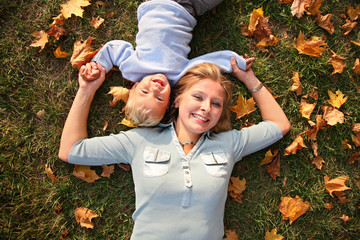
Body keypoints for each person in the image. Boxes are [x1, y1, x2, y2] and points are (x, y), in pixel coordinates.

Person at [58, 55, 291, 239]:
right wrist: (87, 89)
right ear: (178, 100)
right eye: (198, 97)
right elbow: (71, 150)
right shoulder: (139, 141)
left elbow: (279, 125)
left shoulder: (228, 144)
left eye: (216, 103)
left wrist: (249, 78)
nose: (206, 108)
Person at [82, 0, 253, 126]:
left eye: (144, 91)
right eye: (158, 98)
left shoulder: (131, 69)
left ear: (134, 87)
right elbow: (206, 63)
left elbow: (113, 50)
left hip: (154, 4)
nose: (155, 88)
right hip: (186, 8)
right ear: (170, 101)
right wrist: (235, 62)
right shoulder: (179, 75)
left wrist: (98, 66)